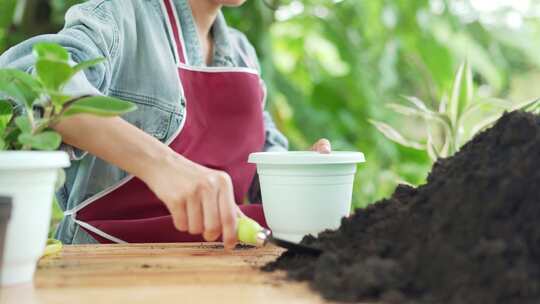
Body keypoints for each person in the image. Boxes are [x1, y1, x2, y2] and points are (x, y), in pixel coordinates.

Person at [0, 0, 331, 250]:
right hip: (106, 275)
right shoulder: (118, 18)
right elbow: (31, 85)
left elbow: (261, 176)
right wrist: (163, 165)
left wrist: (299, 174)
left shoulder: (245, 55)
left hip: (225, 276)